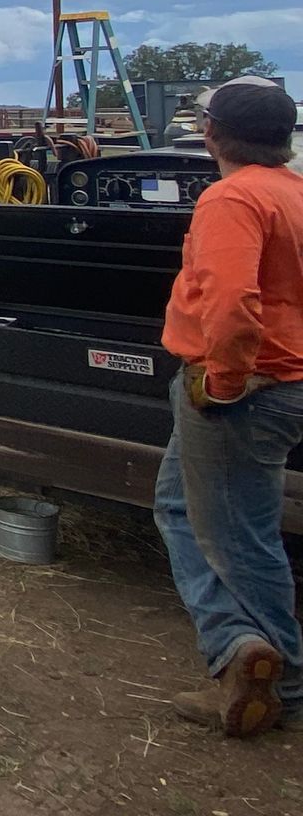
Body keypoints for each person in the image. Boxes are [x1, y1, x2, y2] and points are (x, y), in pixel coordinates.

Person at [154, 75, 303, 737]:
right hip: (282, 382)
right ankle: (244, 648)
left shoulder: (231, 199)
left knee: (242, 538)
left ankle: (272, 680)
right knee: (179, 506)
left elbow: (232, 303)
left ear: (210, 132)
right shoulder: (293, 194)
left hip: (244, 391)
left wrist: (223, 383)